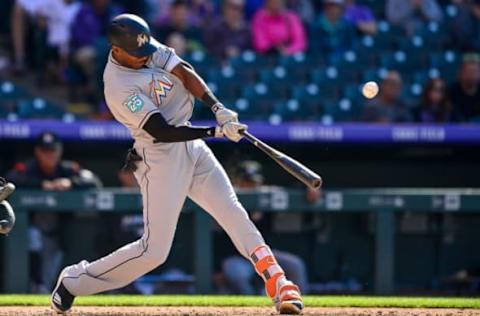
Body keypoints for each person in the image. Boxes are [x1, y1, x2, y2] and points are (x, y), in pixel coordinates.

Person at [50, 14, 304, 315]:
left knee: (233, 212)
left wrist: (217, 107)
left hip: (191, 145)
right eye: (136, 55)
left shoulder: (142, 46)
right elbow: (161, 131)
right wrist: (215, 131)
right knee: (153, 251)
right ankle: (74, 281)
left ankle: (278, 281)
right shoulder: (117, 86)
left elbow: (183, 70)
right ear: (116, 50)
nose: (145, 58)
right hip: (159, 155)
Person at [6, 131, 102, 293]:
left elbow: (94, 182)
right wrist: (42, 184)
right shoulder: (28, 168)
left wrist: (70, 183)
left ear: (60, 151)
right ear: (37, 152)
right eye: (45, 151)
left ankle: (44, 291)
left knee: (51, 275)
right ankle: (34, 287)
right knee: (33, 238)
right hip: (33, 227)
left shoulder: (68, 169)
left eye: (53, 150)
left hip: (59, 233)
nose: (50, 155)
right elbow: (9, 180)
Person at [217, 161, 309, 295]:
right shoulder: (227, 197)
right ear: (237, 181)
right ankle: (253, 308)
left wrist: (306, 188)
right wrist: (216, 268)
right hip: (238, 257)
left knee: (295, 265)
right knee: (237, 273)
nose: (250, 186)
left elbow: (289, 191)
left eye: (254, 182)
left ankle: (298, 301)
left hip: (265, 255)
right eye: (246, 182)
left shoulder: (266, 194)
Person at [449, 54, 480, 121]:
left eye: (475, 71)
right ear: (461, 73)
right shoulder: (450, 92)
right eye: (469, 71)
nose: (472, 75)